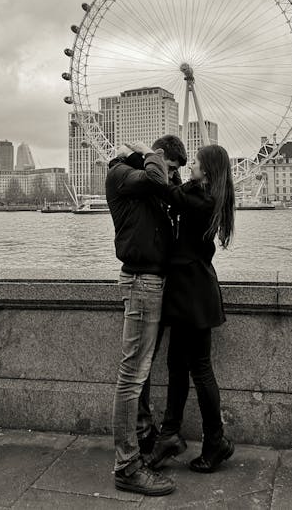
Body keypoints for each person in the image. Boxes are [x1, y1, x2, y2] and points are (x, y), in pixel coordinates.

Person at [132, 142, 236, 474]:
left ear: (208, 170)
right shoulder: (201, 194)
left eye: (196, 164)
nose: (190, 167)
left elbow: (167, 192)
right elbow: (178, 190)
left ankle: (215, 440)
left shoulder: (202, 201)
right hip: (187, 289)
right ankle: (169, 435)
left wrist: (151, 155)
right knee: (177, 364)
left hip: (192, 291)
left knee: (200, 369)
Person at [106, 134, 186, 496]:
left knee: (141, 371)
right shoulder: (122, 175)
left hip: (153, 282)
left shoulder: (148, 180)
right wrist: (150, 154)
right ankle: (127, 465)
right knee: (132, 375)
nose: (171, 177)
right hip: (140, 282)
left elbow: (170, 190)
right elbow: (156, 179)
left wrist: (166, 166)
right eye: (171, 168)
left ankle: (143, 434)